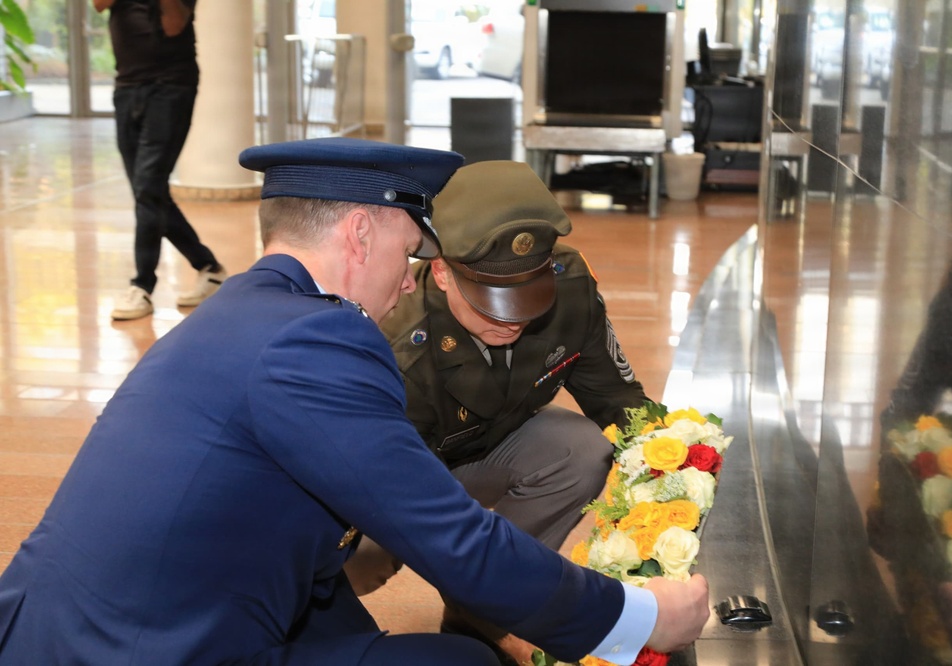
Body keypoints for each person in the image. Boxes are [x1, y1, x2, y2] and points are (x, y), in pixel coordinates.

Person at [0, 137, 710, 665]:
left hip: (104, 623)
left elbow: (295, 543)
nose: (410, 282)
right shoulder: (320, 343)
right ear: (360, 231)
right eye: (408, 255)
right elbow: (450, 537)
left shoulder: (246, 306)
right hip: (146, 649)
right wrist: (635, 617)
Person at [377, 160, 651, 663]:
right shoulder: (399, 344)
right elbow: (406, 500)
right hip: (408, 470)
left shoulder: (571, 290)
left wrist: (669, 469)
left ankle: (486, 608)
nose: (514, 319)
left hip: (493, 444)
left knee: (583, 448)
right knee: (363, 557)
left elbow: (619, 401)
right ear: (441, 271)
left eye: (529, 294)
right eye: (489, 300)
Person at [93, 0, 227, 321]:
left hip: (171, 86)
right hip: (127, 85)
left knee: (148, 187)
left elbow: (174, 23)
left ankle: (142, 286)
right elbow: (99, 4)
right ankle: (209, 268)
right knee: (148, 191)